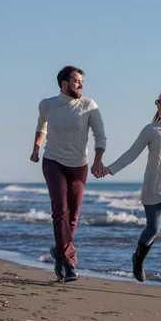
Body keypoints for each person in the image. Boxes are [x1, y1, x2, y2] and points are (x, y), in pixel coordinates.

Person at [104, 89, 161, 289]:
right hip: (154, 186)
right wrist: (110, 169)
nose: (160, 104)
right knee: (153, 229)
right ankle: (138, 259)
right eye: (158, 101)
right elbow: (131, 153)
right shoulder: (151, 130)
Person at [30, 65, 107, 282]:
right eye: (76, 81)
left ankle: (59, 252)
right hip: (53, 161)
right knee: (60, 210)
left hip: (78, 165)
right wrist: (36, 146)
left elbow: (100, 136)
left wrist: (98, 160)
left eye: (82, 81)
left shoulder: (89, 106)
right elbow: (41, 126)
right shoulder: (47, 105)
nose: (81, 84)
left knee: (73, 215)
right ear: (64, 84)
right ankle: (70, 262)